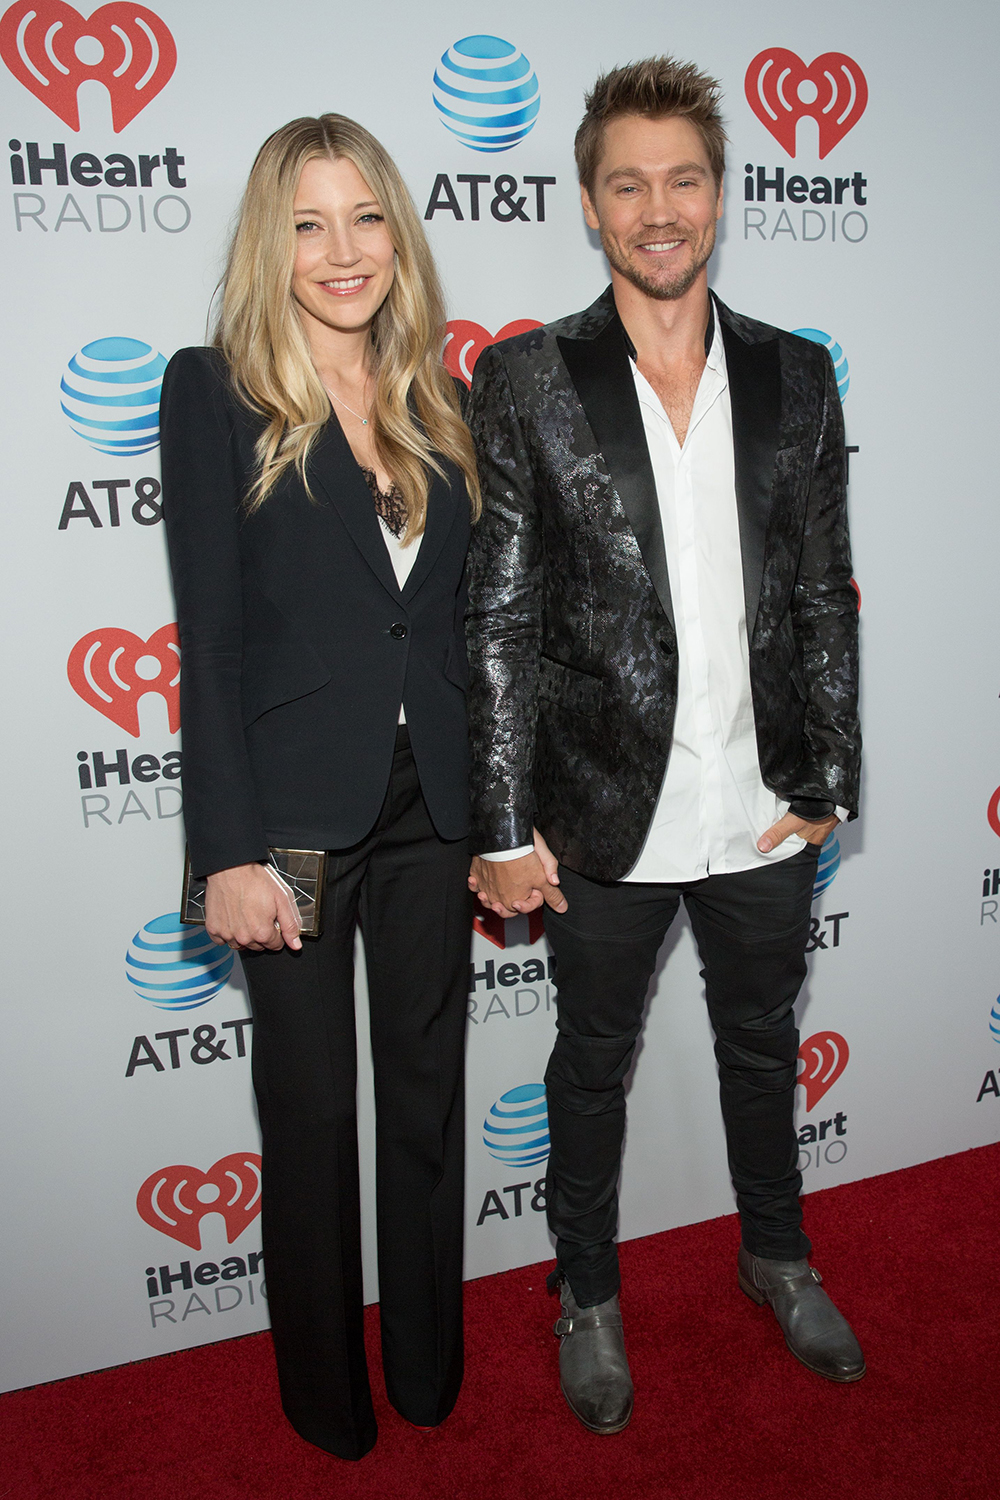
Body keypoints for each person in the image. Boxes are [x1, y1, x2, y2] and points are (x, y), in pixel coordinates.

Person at [466, 57, 864, 1435]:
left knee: (762, 1049)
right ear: (589, 203)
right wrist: (505, 827)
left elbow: (824, 589)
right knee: (590, 1064)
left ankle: (778, 1254)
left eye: (682, 178)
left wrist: (832, 780)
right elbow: (501, 617)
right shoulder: (524, 378)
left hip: (761, 805)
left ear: (719, 195)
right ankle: (587, 1294)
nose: (658, 207)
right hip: (600, 812)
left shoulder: (795, 373)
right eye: (627, 182)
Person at [159, 114, 479, 1461]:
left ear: (396, 235)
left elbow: (456, 629)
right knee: (307, 1116)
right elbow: (209, 634)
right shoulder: (213, 389)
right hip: (289, 819)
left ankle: (423, 1365)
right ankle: (324, 1398)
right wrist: (225, 850)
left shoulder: (438, 396)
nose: (342, 251)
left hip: (432, 806)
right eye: (308, 223)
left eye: (364, 220)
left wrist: (501, 816)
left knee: (425, 1095)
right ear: (269, 242)